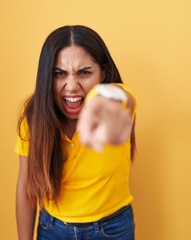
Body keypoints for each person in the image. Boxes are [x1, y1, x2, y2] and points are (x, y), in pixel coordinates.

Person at [15, 25, 137, 240]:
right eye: (59, 74)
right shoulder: (34, 116)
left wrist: (102, 98)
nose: (71, 86)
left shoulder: (116, 100)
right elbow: (26, 188)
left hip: (113, 229)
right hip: (53, 230)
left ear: (103, 73)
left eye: (84, 72)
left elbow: (121, 97)